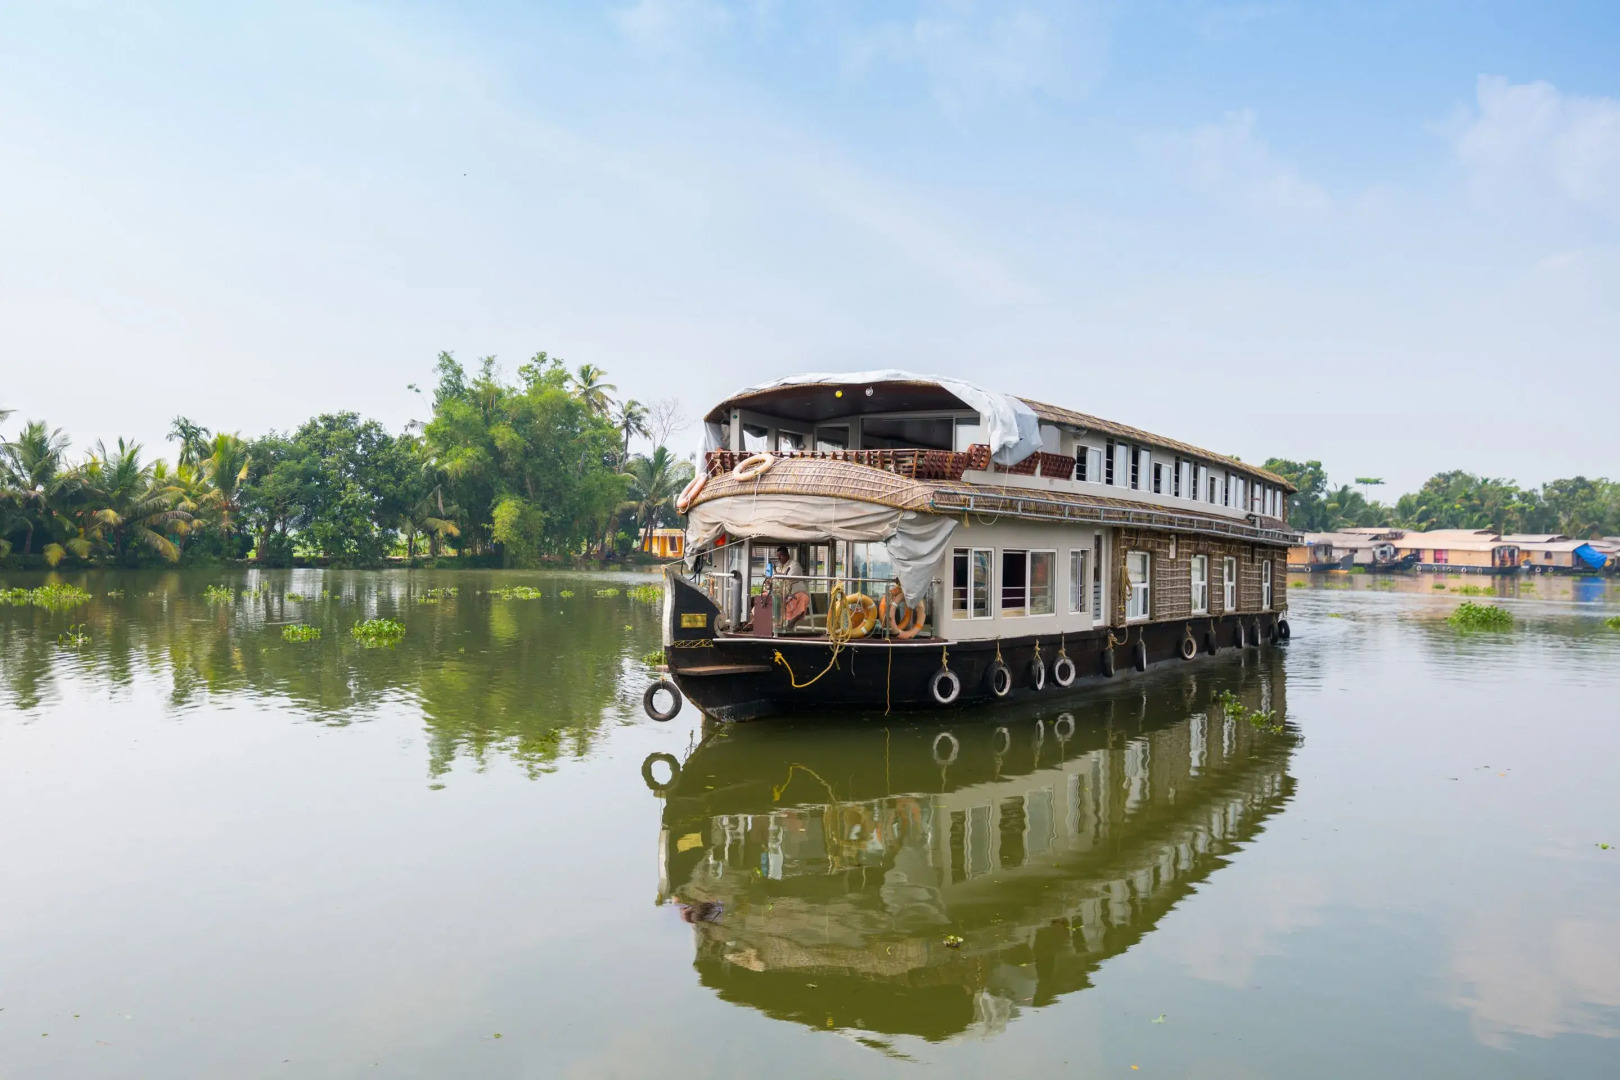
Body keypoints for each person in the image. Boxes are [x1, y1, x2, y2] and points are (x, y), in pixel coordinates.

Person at [773, 545, 810, 629]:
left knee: (803, 598)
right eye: (777, 556)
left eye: (781, 555)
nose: (779, 558)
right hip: (782, 593)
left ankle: (791, 623)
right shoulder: (778, 566)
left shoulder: (794, 565)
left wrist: (777, 575)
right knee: (765, 597)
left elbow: (788, 578)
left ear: (787, 555)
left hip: (796, 592)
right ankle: (755, 624)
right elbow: (775, 579)